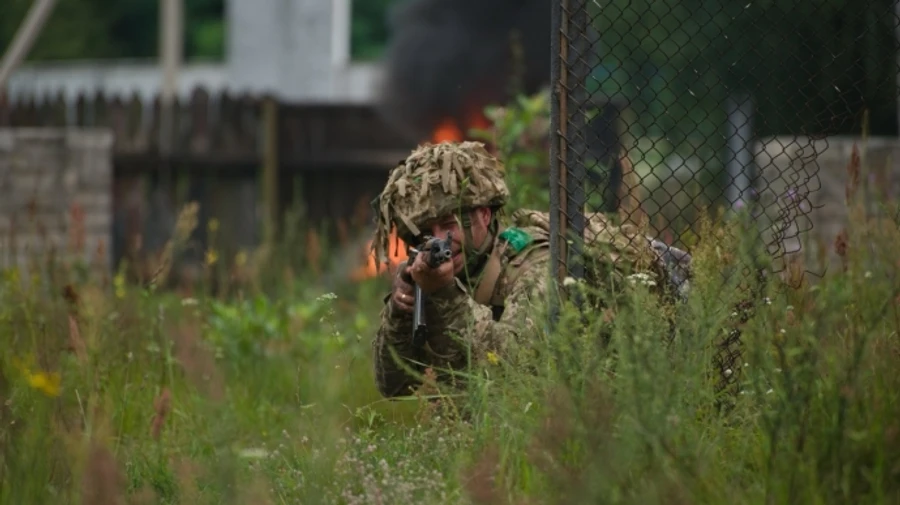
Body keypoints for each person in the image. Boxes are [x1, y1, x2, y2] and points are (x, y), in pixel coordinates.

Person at [369, 141, 691, 399]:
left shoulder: (534, 261)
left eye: (449, 224)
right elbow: (395, 385)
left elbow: (511, 369)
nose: (439, 240)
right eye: (426, 231)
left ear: (483, 215)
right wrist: (402, 308)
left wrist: (444, 293)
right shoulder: (439, 272)